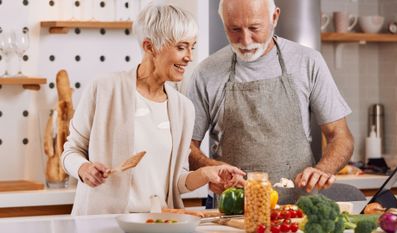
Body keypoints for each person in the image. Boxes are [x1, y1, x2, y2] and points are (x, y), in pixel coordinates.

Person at [61, 4, 244, 215]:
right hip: (103, 223)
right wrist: (84, 169)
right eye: (181, 47)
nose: (189, 56)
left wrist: (206, 173)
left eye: (192, 47)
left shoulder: (183, 108)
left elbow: (177, 181)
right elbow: (71, 151)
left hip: (158, 223)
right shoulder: (104, 89)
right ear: (149, 47)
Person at [187, 0, 354, 204]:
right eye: (235, 29)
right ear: (223, 22)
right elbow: (186, 146)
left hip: (298, 211)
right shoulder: (206, 73)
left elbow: (341, 135)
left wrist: (322, 170)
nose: (246, 40)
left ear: (274, 17)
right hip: (234, 211)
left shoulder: (308, 62)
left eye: (254, 28)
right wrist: (209, 168)